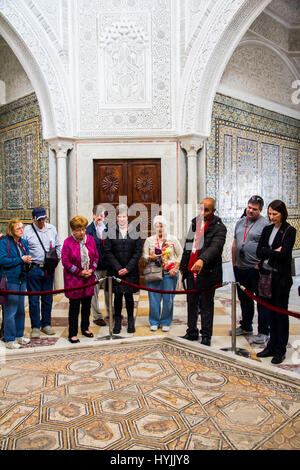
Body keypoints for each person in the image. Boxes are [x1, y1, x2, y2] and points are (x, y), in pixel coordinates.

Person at [179, 198, 227, 346]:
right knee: (191, 303)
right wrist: (183, 267)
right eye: (200, 209)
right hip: (191, 270)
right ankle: (191, 331)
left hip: (207, 271)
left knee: (206, 305)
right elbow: (188, 245)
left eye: (206, 210)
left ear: (213, 211)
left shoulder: (219, 227)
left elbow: (215, 247)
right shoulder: (195, 223)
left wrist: (202, 260)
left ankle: (206, 335)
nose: (202, 213)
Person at [256, 200, 296, 364]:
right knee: (270, 312)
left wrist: (269, 252)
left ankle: (280, 349)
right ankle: (271, 346)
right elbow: (259, 251)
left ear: (282, 213)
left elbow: (285, 254)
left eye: (275, 214)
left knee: (281, 313)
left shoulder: (289, 230)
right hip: (267, 275)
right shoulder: (267, 229)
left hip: (281, 278)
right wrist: (272, 251)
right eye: (270, 214)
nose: (271, 217)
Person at [231, 195, 269, 343]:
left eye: (254, 209)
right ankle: (246, 326)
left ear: (260, 210)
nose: (250, 211)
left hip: (256, 270)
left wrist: (259, 264)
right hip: (240, 268)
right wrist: (234, 264)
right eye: (249, 207)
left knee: (261, 301)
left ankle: (263, 331)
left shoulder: (265, 225)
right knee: (244, 299)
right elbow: (235, 243)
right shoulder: (240, 222)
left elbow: (268, 248)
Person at [23, 207, 61, 339]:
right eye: (39, 220)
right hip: (34, 268)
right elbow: (23, 248)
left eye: (44, 219)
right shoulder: (27, 231)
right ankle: (35, 326)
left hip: (48, 269)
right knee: (34, 300)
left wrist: (57, 258)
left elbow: (57, 245)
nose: (42, 222)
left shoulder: (51, 229)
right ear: (33, 219)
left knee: (47, 298)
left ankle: (46, 324)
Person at [104, 204, 142, 334]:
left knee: (129, 297)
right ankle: (118, 321)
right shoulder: (110, 231)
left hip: (130, 271)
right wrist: (118, 268)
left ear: (127, 217)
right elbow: (108, 251)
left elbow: (138, 252)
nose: (122, 219)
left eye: (124, 216)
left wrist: (128, 268)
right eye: (119, 216)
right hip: (116, 271)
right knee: (118, 297)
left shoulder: (135, 230)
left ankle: (131, 320)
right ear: (116, 217)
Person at [61, 216, 99, 343]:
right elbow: (65, 261)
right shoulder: (67, 242)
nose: (82, 232)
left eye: (83, 229)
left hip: (88, 279)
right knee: (74, 307)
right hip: (74, 280)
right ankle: (72, 333)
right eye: (78, 230)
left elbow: (96, 258)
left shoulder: (91, 240)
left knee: (87, 306)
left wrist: (91, 270)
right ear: (73, 230)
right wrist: (79, 272)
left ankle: (85, 328)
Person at [142, 215, 183, 332]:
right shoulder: (149, 240)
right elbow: (144, 257)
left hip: (169, 273)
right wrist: (151, 257)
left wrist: (175, 268)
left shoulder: (172, 239)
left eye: (162, 226)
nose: (160, 229)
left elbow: (181, 254)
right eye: (157, 226)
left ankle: (166, 321)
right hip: (154, 273)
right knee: (153, 299)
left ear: (166, 227)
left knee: (168, 299)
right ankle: (154, 321)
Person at [0, 219, 32, 349]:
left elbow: (25, 256)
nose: (21, 230)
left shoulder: (23, 243)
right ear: (11, 230)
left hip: (22, 278)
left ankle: (19, 336)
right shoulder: (4, 242)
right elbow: (2, 260)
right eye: (18, 228)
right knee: (11, 310)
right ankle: (9, 339)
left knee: (20, 309)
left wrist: (28, 260)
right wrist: (21, 259)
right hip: (10, 279)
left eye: (22, 227)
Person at [86, 204, 108, 326]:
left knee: (109, 291)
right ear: (93, 215)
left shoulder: (109, 228)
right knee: (94, 292)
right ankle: (97, 316)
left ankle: (111, 312)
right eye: (97, 215)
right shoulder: (88, 230)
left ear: (104, 216)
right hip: (95, 267)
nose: (99, 217)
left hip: (107, 265)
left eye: (102, 215)